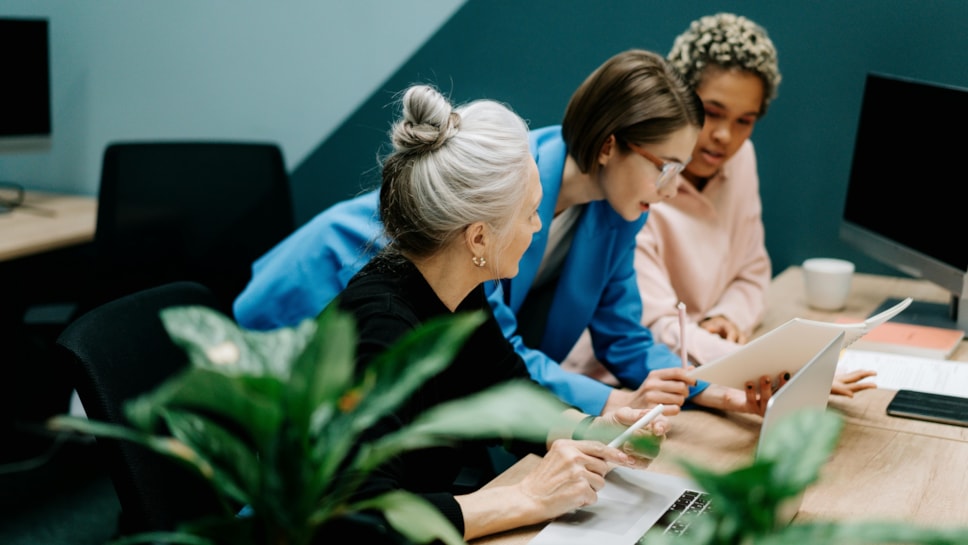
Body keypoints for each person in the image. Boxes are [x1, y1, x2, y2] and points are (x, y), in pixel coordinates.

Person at [235, 49, 785, 417]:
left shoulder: (620, 210)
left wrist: (717, 393)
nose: (671, 191)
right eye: (665, 168)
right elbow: (506, 351)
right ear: (610, 145)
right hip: (320, 289)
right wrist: (612, 404)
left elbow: (625, 338)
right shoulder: (506, 202)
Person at [336, 83, 668, 542]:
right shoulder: (381, 328)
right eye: (531, 212)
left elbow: (509, 394)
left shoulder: (460, 292)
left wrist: (596, 430)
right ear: (478, 239)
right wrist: (527, 497)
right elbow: (355, 519)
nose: (538, 225)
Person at [563, 13, 875, 398]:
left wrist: (726, 317)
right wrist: (772, 366)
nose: (725, 137)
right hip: (619, 380)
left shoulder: (741, 161)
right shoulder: (634, 186)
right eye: (712, 113)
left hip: (698, 366)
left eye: (745, 121)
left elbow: (752, 269)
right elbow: (650, 329)